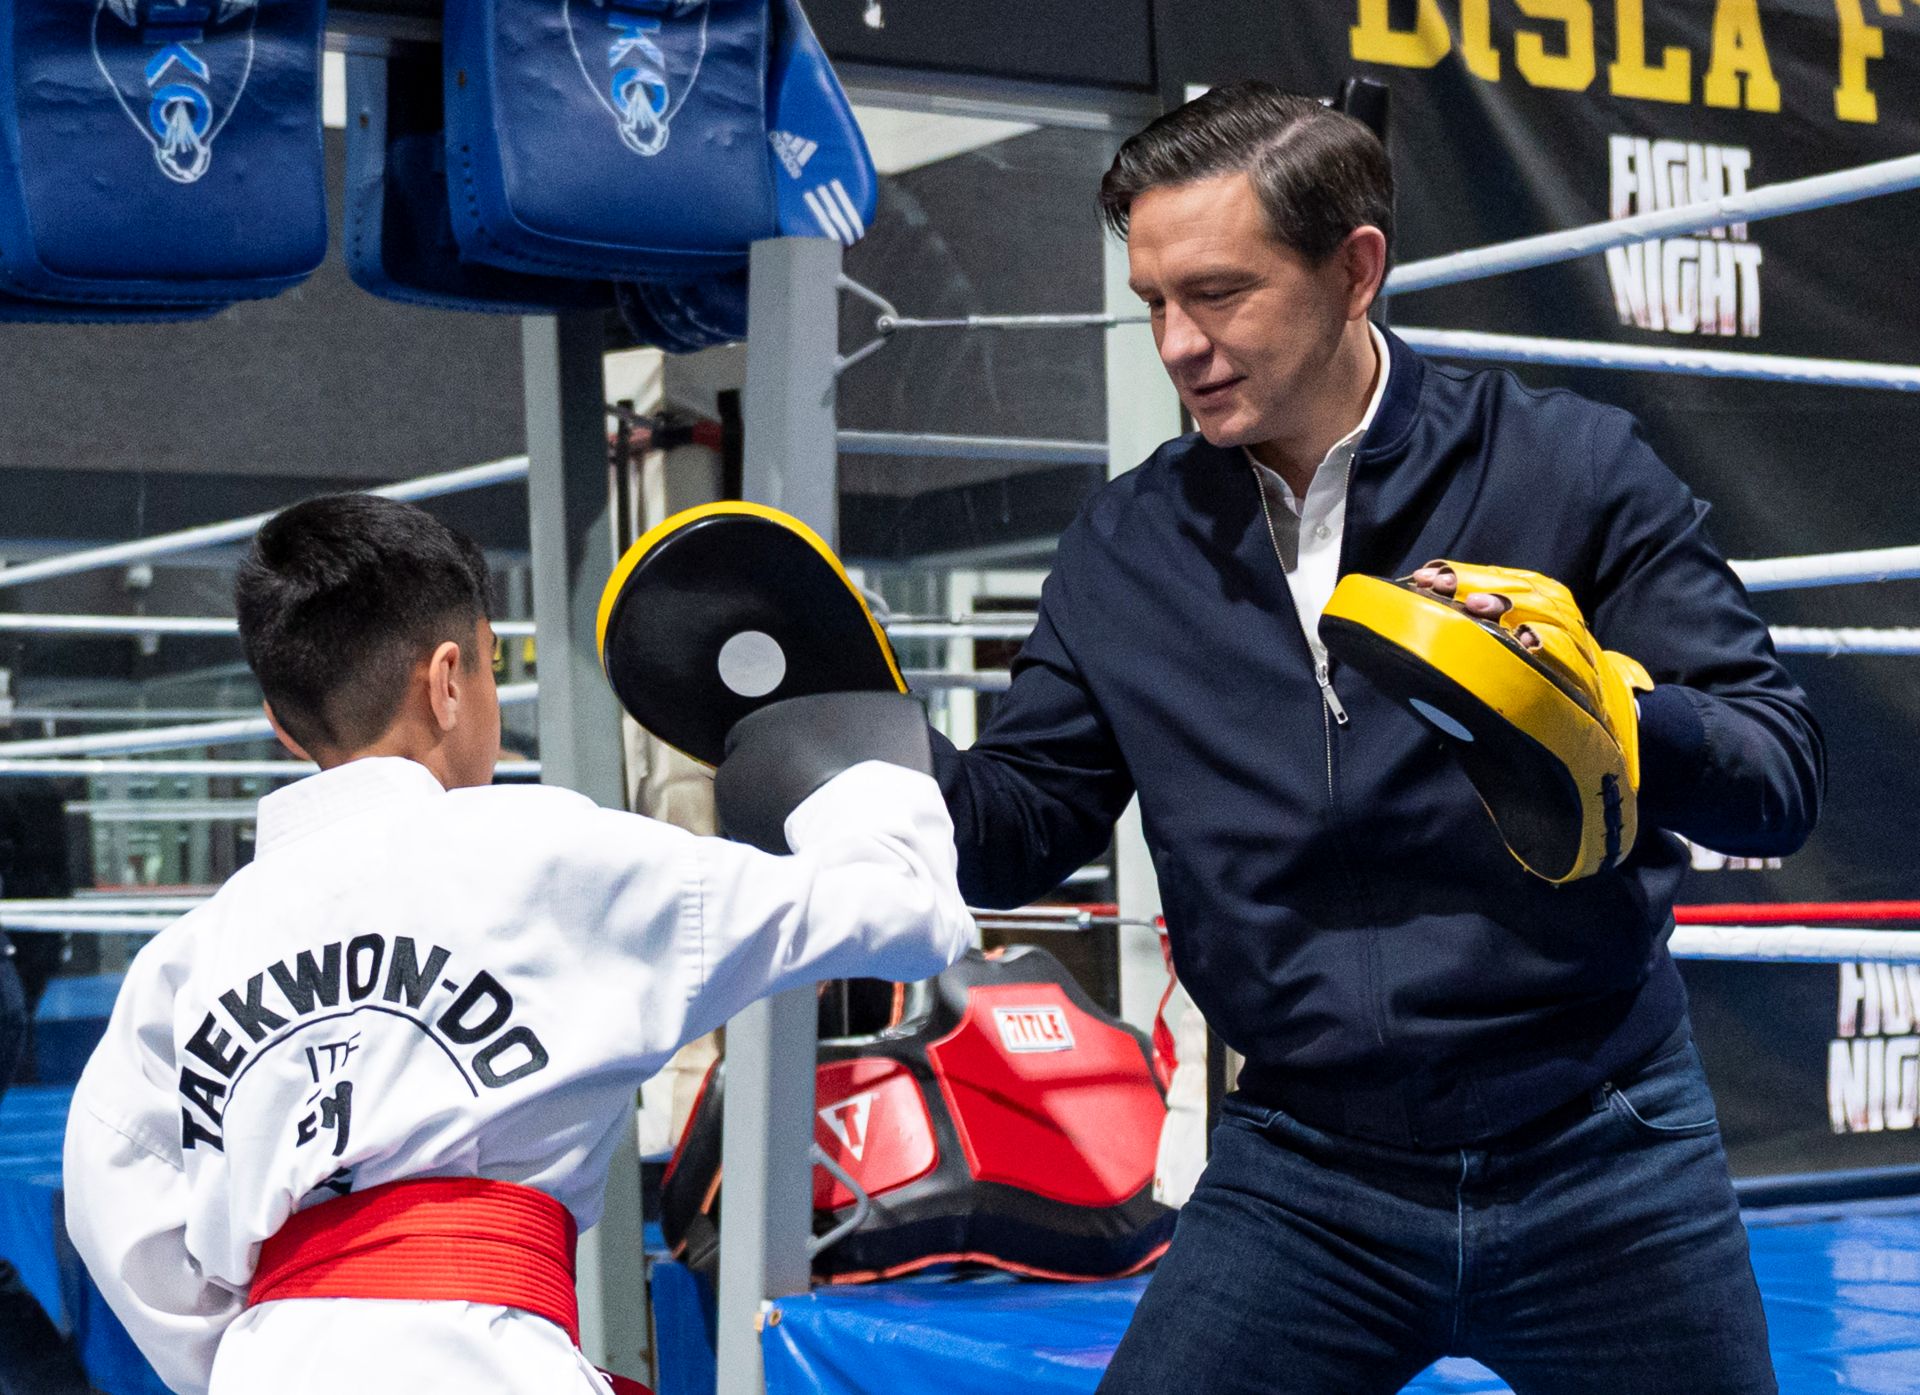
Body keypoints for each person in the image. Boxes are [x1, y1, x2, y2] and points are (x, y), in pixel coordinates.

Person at [933, 82, 1821, 1394]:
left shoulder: (1568, 470)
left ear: (1355, 271)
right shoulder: (1124, 549)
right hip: (1308, 1169)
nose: (1178, 344)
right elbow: (1019, 827)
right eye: (1154, 304)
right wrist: (845, 746)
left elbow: (1777, 773)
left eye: (1221, 293)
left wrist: (1611, 715)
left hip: (1600, 1142)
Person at [62, 493, 972, 1395]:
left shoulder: (181, 962)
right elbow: (904, 905)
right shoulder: (549, 857)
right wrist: (837, 729)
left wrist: (292, 1340)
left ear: (279, 720)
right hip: (482, 1359)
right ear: (449, 680)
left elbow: (124, 1225)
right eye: (495, 670)